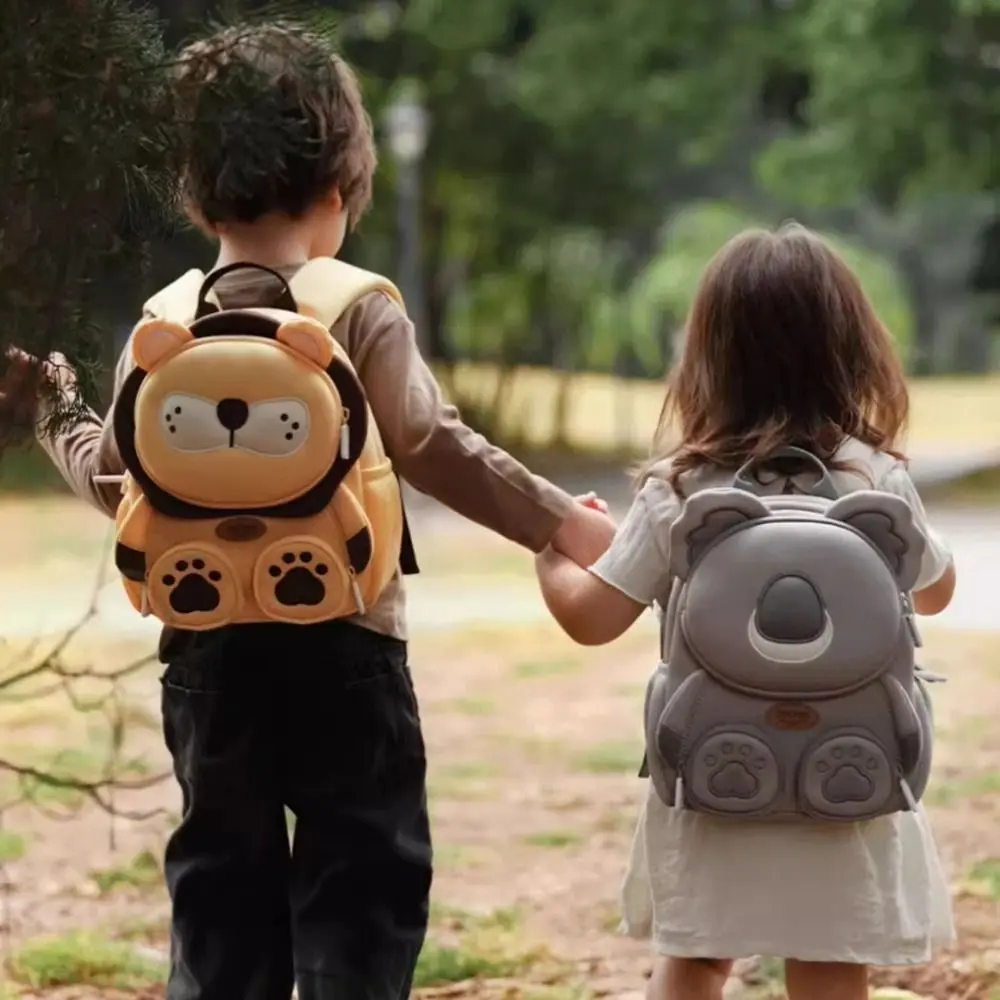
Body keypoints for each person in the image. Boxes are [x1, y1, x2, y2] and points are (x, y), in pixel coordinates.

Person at [17, 22, 616, 1000]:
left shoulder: (162, 327)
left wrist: (58, 411)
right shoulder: (357, 305)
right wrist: (563, 524)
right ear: (338, 191)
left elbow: (119, 484)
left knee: (221, 879)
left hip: (207, 654)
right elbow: (433, 446)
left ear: (195, 191)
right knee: (363, 870)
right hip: (348, 642)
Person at [534, 223, 957, 1000]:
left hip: (716, 772)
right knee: (831, 958)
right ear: (851, 350)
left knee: (699, 957)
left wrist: (553, 558)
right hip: (850, 774)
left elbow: (591, 619)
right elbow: (935, 590)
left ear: (708, 360)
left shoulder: (681, 487)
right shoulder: (876, 477)